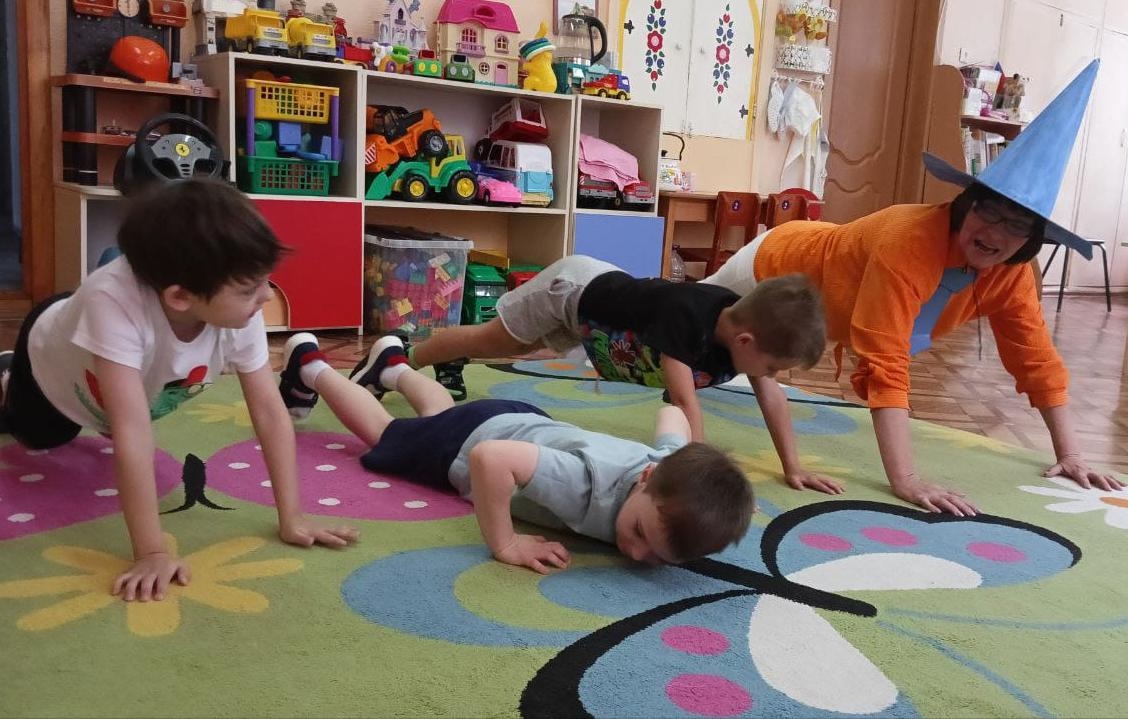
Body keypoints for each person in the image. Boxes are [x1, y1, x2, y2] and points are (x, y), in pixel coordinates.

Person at [703, 59, 1124, 516]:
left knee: (722, 360)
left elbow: (1035, 359)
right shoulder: (909, 241)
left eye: (1017, 224)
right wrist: (905, 480)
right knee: (686, 326)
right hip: (774, 265)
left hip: (823, 306)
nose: (995, 233)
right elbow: (885, 359)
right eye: (988, 211)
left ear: (1032, 240)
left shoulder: (1012, 276)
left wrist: (1071, 454)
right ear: (965, 204)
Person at [0, 179, 358, 603]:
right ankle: (7, 372)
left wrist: (292, 517)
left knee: (121, 411)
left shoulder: (240, 312)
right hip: (51, 365)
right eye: (250, 288)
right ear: (181, 296)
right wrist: (151, 552)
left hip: (125, 366)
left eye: (266, 281)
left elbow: (269, 411)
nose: (266, 296)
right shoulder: (111, 300)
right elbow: (131, 431)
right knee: (42, 436)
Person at [278, 332, 755, 573]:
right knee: (386, 434)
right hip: (472, 442)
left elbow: (672, 420)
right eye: (638, 532)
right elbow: (489, 459)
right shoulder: (583, 483)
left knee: (439, 414)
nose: (635, 552)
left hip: (519, 421)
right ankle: (310, 366)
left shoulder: (664, 469)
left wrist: (703, 465)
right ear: (645, 480)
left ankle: (393, 367)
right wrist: (505, 544)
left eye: (657, 558)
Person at [373, 254, 840, 495]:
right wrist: (699, 481)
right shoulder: (687, 322)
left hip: (604, 310)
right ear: (746, 342)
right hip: (572, 291)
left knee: (519, 345)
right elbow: (684, 405)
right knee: (494, 342)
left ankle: (435, 358)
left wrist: (793, 467)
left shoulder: (742, 331)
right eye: (773, 367)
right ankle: (404, 356)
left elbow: (771, 395)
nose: (771, 376)